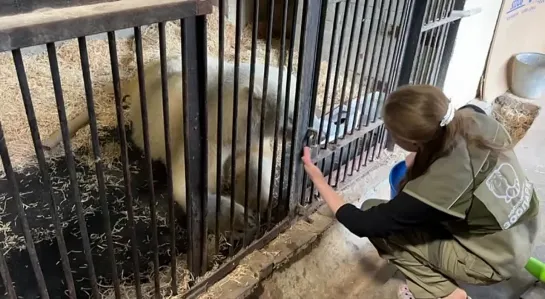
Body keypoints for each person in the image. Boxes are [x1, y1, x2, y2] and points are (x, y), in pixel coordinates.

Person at [301, 85, 540, 299]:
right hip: (524, 229)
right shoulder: (474, 117)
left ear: (412, 143)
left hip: (496, 261)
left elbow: (364, 223)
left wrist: (318, 178)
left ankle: (448, 295)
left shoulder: (437, 186)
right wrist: (421, 157)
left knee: (380, 220)